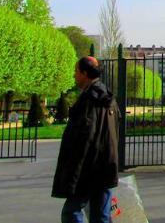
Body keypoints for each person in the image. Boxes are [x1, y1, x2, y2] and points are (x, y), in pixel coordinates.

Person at [52, 56, 120, 223]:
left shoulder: (89, 101)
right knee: (101, 216)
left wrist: (73, 172)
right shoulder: (108, 99)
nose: (74, 75)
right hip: (105, 166)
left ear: (84, 73)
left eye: (76, 71)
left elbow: (84, 138)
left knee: (71, 212)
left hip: (89, 168)